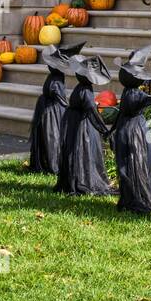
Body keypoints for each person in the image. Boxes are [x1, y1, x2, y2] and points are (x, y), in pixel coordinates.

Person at [55, 52, 115, 196]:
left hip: (75, 122)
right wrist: (105, 130)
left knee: (76, 150)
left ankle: (73, 178)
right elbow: (93, 113)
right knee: (83, 150)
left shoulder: (80, 89)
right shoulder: (86, 92)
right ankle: (83, 180)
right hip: (82, 125)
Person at [111, 45, 151, 214]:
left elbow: (120, 114)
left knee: (127, 163)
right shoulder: (137, 95)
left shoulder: (126, 92)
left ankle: (128, 197)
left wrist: (112, 130)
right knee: (138, 162)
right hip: (136, 131)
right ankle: (138, 197)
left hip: (124, 129)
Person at [29, 41, 85, 174]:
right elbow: (61, 100)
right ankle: (54, 164)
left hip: (48, 109)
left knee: (50, 136)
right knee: (53, 136)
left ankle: (47, 162)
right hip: (53, 111)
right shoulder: (56, 81)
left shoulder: (54, 78)